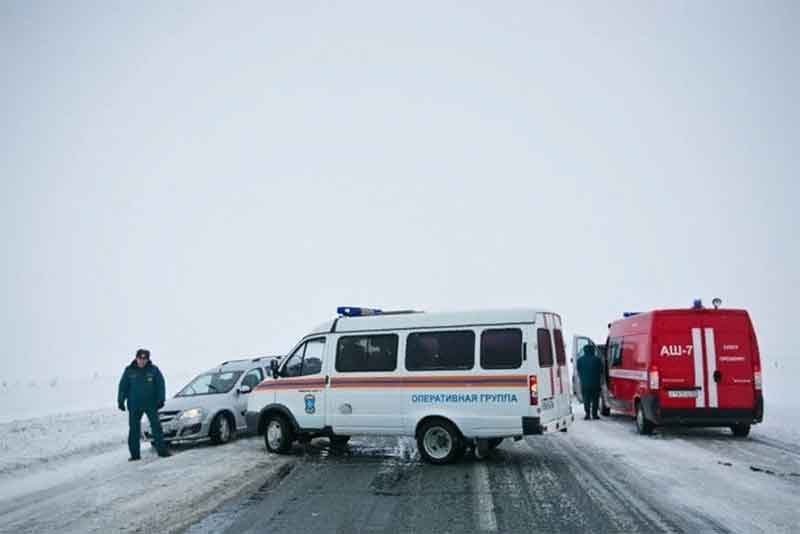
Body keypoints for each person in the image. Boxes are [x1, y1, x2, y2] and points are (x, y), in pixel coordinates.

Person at [117, 348, 171, 460]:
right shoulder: (129, 371)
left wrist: (161, 399)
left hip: (151, 405)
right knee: (134, 430)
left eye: (144, 359)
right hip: (134, 405)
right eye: (140, 358)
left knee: (156, 427)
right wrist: (121, 400)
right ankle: (135, 455)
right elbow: (123, 387)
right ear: (136, 358)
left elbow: (160, 385)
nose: (142, 361)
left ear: (147, 359)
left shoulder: (154, 370)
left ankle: (162, 452)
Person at [576, 344, 603, 420]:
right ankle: (594, 414)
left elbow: (578, 370)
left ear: (584, 351)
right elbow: (601, 371)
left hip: (585, 384)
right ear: (593, 350)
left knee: (586, 399)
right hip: (595, 384)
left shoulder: (580, 360)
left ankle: (587, 414)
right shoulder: (597, 360)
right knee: (595, 399)